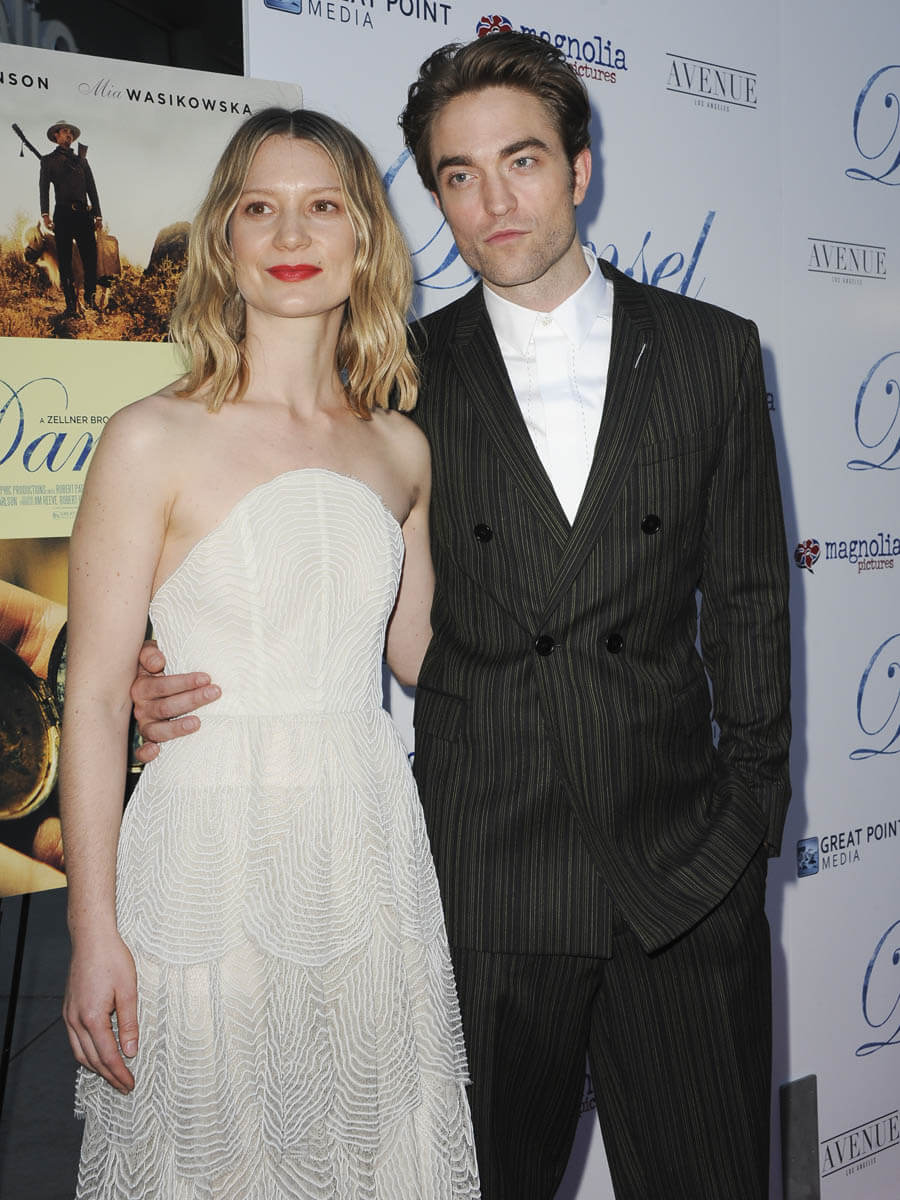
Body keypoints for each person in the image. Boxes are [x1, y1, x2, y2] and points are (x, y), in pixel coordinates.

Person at [132, 33, 791, 1200]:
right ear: (432, 198)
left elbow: (750, 607)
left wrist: (746, 830)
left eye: (522, 161)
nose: (495, 201)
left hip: (683, 883)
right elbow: (303, 561)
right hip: (480, 884)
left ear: (578, 168)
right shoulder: (394, 381)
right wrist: (174, 661)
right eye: (458, 175)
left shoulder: (712, 354)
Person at [60, 107, 480, 1198]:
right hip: (202, 860)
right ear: (225, 239)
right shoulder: (151, 436)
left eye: (323, 205)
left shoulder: (401, 447)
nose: (292, 233)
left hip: (365, 848)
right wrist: (93, 930)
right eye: (261, 207)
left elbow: (425, 658)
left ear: (364, 238)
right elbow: (96, 698)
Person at [39, 120, 102, 316]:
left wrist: (98, 214)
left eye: (71, 133)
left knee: (90, 259)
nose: (69, 135)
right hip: (63, 215)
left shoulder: (82, 160)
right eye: (65, 131)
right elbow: (43, 189)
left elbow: (92, 188)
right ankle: (70, 305)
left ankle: (90, 301)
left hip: (84, 215)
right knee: (65, 262)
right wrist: (45, 214)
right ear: (56, 136)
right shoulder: (48, 161)